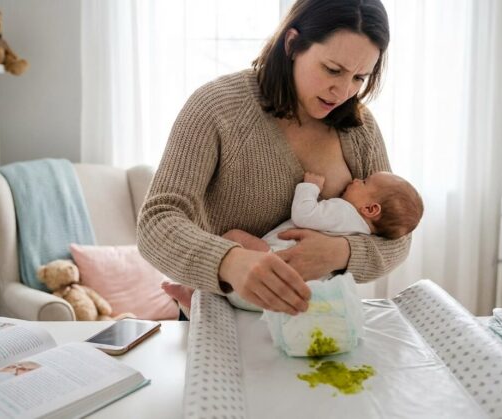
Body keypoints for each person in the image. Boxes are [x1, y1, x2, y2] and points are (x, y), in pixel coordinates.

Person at [138, 0, 411, 316]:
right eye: (332, 70)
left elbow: (398, 237)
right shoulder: (217, 107)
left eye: (359, 77)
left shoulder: (360, 128)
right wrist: (229, 261)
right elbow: (156, 221)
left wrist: (339, 252)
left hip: (314, 321)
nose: (342, 91)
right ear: (292, 44)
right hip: (224, 322)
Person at [162, 170, 424, 312]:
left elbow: (304, 214)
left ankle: (192, 290)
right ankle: (194, 297)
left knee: (233, 238)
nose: (356, 179)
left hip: (264, 268)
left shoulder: (344, 211)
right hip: (284, 297)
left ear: (371, 209)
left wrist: (310, 187)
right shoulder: (363, 232)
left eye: (364, 182)